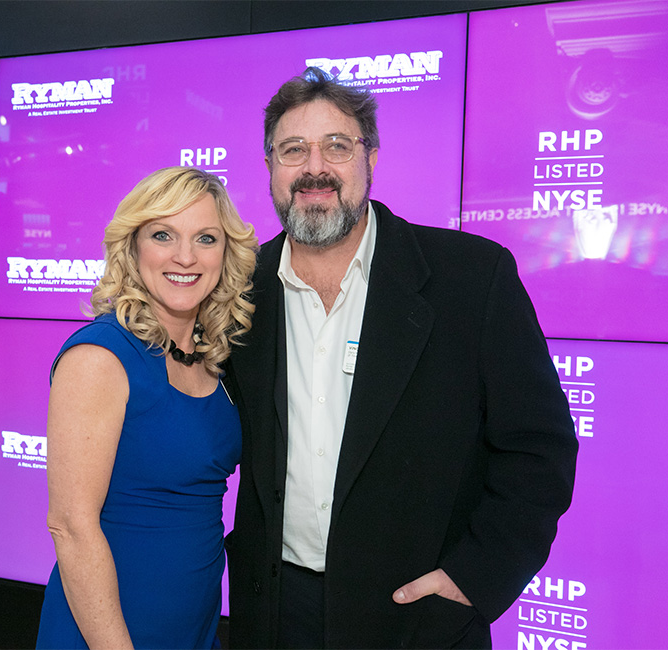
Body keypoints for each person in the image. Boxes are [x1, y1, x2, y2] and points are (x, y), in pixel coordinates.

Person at [225, 68, 578, 649]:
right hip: (273, 615)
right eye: (294, 150)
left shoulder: (471, 278)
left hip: (416, 619)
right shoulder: (240, 291)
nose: (315, 167)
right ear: (270, 168)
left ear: (371, 158)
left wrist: (474, 578)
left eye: (337, 146)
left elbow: (538, 451)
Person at [36, 166, 258, 649]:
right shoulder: (100, 356)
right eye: (163, 235)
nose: (185, 256)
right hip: (108, 634)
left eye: (206, 238)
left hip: (195, 630)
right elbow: (71, 526)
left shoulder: (216, 360)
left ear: (227, 253)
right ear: (134, 247)